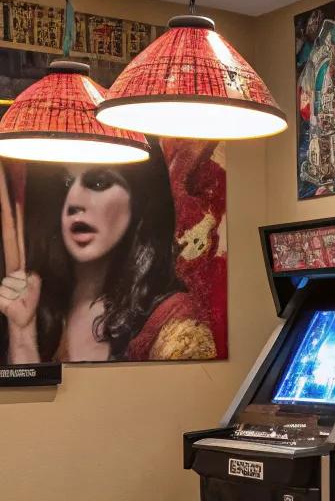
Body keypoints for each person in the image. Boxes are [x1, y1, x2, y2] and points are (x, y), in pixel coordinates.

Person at [0, 147, 215, 364]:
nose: (74, 202)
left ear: (139, 198)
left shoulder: (172, 321)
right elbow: (34, 396)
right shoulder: (46, 306)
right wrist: (22, 333)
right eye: (65, 183)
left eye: (99, 183)